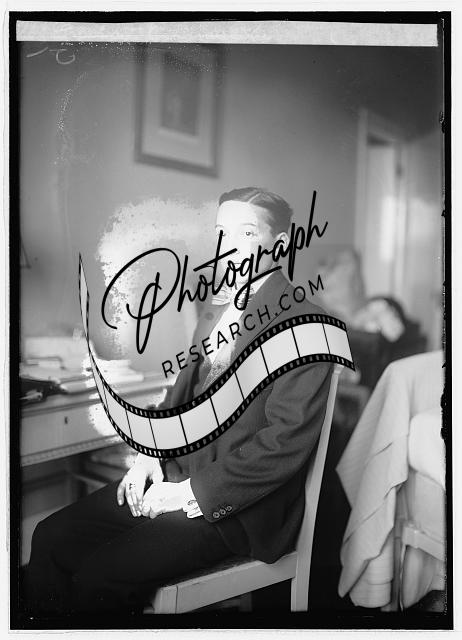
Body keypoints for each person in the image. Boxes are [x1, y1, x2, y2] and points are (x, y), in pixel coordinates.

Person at [23, 187, 332, 617]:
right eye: (222, 232)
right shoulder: (215, 312)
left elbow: (282, 446)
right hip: (177, 475)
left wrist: (185, 493)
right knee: (50, 536)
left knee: (100, 575)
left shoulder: (307, 327)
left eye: (246, 233)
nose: (228, 246)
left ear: (280, 245)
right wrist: (150, 456)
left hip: (236, 507)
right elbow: (178, 400)